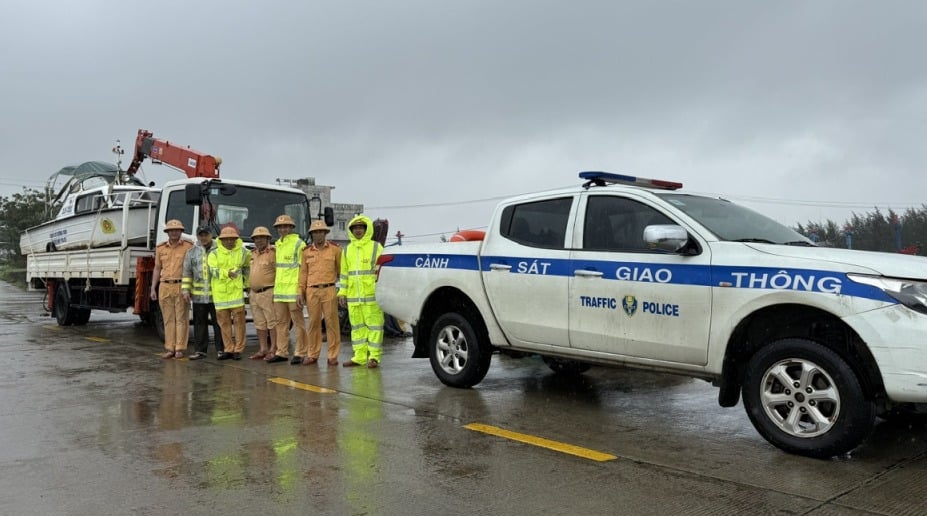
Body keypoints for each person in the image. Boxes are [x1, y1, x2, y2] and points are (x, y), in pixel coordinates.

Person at [338, 214, 385, 368]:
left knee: (374, 327)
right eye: (355, 228)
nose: (358, 230)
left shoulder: (376, 247)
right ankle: (359, 357)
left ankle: (374, 357)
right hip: (353, 297)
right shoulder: (347, 250)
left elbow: (382, 272)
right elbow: (344, 274)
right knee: (357, 329)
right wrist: (342, 293)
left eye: (361, 227)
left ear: (366, 229)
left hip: (372, 296)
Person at [298, 219, 342, 366]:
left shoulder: (335, 249)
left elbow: (342, 271)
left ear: (325, 233)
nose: (318, 234)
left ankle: (333, 355)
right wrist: (300, 291)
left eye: (320, 232)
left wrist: (342, 291)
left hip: (329, 288)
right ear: (311, 234)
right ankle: (312, 354)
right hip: (312, 291)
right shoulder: (305, 252)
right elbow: (303, 273)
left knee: (331, 323)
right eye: (315, 232)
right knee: (313, 323)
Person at [151, 219, 194, 359]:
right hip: (164, 285)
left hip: (181, 286)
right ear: (167, 232)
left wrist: (189, 288)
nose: (174, 232)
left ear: (181, 232)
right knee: (168, 319)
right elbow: (157, 268)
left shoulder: (188, 247)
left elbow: (191, 269)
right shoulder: (160, 248)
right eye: (171, 230)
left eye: (177, 230)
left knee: (181, 318)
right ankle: (170, 348)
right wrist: (153, 288)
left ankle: (180, 348)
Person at [207, 226, 251, 360]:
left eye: (232, 239)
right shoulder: (214, 254)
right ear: (222, 240)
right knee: (224, 324)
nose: (230, 241)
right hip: (220, 295)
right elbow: (212, 270)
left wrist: (247, 284)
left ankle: (238, 349)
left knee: (239, 323)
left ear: (236, 239)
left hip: (236, 295)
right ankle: (228, 349)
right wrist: (227, 273)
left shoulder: (244, 252)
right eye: (227, 239)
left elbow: (247, 268)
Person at [270, 214, 308, 365]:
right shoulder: (277, 244)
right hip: (279, 292)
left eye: (286, 226)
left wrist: (300, 291)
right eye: (280, 227)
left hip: (293, 291)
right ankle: (282, 352)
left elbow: (303, 269)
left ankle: (300, 352)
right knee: (281, 324)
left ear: (291, 227)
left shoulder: (299, 244)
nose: (283, 229)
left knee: (298, 323)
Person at [182, 225, 224, 360]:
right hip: (199, 296)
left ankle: (221, 350)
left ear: (211, 235)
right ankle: (200, 351)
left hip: (217, 295)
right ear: (198, 236)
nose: (203, 237)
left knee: (220, 323)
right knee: (200, 323)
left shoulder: (221, 249)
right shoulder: (191, 252)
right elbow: (187, 272)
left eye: (206, 234)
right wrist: (185, 290)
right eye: (201, 235)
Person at [248, 226, 278, 360]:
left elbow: (279, 273)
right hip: (254, 294)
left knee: (272, 322)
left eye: (262, 238)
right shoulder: (252, 254)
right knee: (259, 323)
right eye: (256, 238)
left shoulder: (273, 253)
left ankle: (273, 348)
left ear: (268, 239)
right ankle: (263, 348)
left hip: (268, 291)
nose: (259, 240)